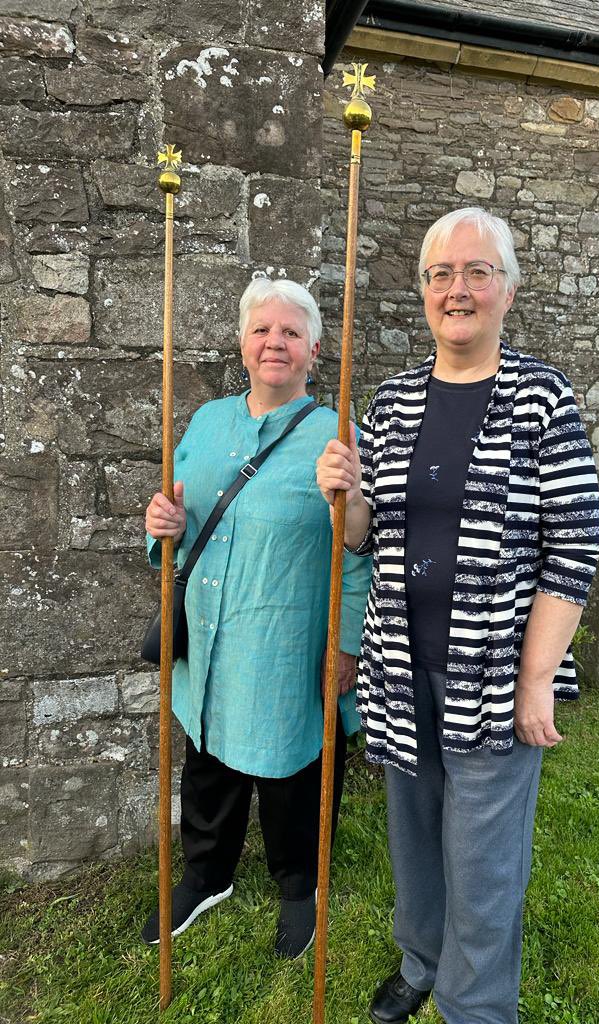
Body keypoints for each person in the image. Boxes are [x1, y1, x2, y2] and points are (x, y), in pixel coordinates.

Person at [316, 208, 599, 1024]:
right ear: (424, 293)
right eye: (442, 274)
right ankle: (421, 960)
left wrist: (536, 678)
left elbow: (575, 541)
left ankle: (474, 1006)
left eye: (478, 272)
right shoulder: (395, 400)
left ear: (507, 289)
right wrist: (349, 490)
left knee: (483, 857)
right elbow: (366, 539)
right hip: (400, 664)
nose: (458, 289)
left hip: (495, 669)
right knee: (415, 833)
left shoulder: (540, 397)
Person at [142, 278, 371, 958]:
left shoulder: (336, 438)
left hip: (285, 638)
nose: (276, 342)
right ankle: (206, 875)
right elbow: (174, 524)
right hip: (212, 630)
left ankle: (300, 886)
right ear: (243, 344)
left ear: (314, 350)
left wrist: (349, 645)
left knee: (293, 768)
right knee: (207, 754)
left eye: (291, 333)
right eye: (262, 330)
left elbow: (356, 553)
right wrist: (162, 525)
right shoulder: (208, 421)